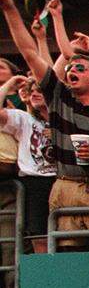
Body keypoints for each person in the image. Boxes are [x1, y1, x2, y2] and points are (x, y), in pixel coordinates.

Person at [0, 0, 89, 250]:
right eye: (70, 67)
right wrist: (10, 9)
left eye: (80, 68)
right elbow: (29, 53)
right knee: (67, 255)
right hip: (65, 186)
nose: (72, 70)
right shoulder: (61, 99)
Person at [0, 75, 55, 252]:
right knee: (38, 236)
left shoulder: (65, 118)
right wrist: (9, 84)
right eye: (31, 91)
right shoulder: (24, 119)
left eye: (40, 90)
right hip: (34, 182)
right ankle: (45, 277)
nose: (34, 94)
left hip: (63, 179)